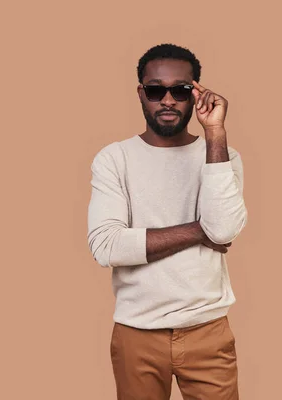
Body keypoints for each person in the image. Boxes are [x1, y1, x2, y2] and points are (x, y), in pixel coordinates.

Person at [87, 43, 248, 400]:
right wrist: (198, 230)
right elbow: (107, 246)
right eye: (157, 90)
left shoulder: (223, 155)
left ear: (196, 94)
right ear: (141, 94)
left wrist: (215, 132)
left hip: (208, 329)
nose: (168, 100)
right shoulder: (115, 159)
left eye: (181, 90)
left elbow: (222, 230)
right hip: (137, 332)